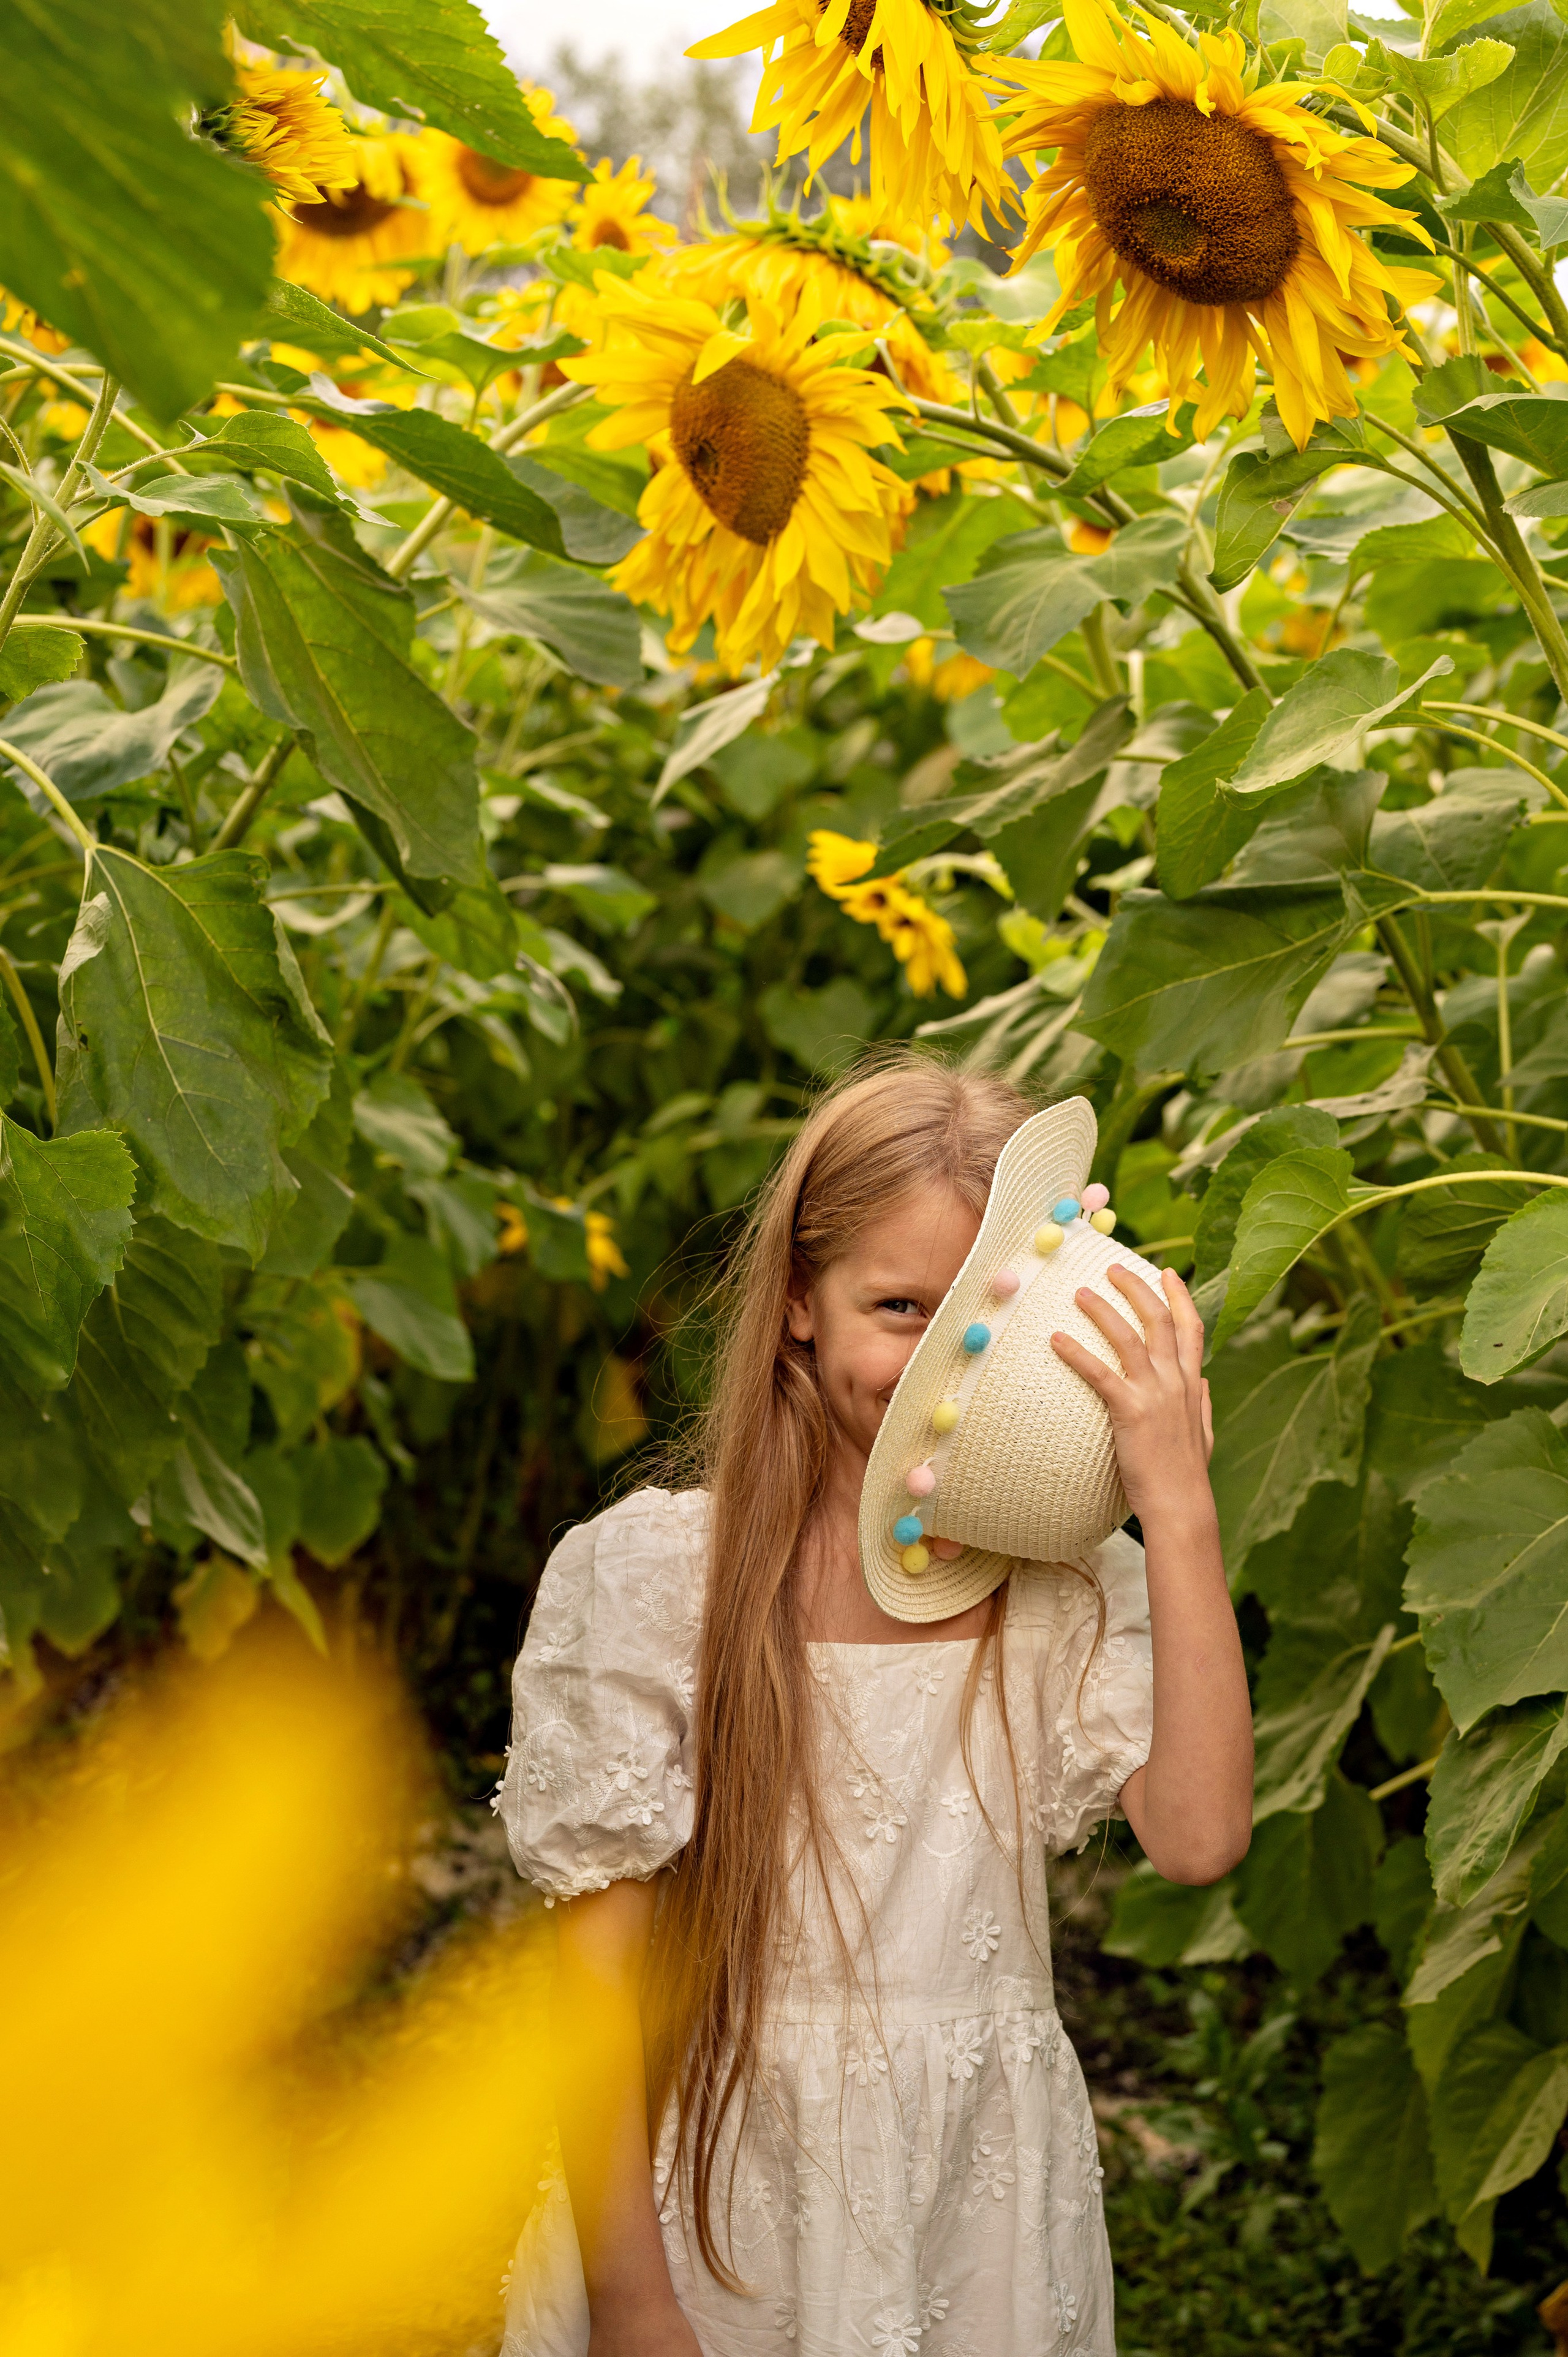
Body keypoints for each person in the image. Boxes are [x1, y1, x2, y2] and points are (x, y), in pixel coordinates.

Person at [497, 1052, 1253, 2357]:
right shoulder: (653, 1576)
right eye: (899, 1306)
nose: (928, 1367)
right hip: (718, 2194)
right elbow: (592, 1978)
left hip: (978, 2196)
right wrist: (629, 2294)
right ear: (796, 1302)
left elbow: (1196, 1838)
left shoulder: (1066, 1587)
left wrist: (1172, 1501)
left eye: (977, 1319)